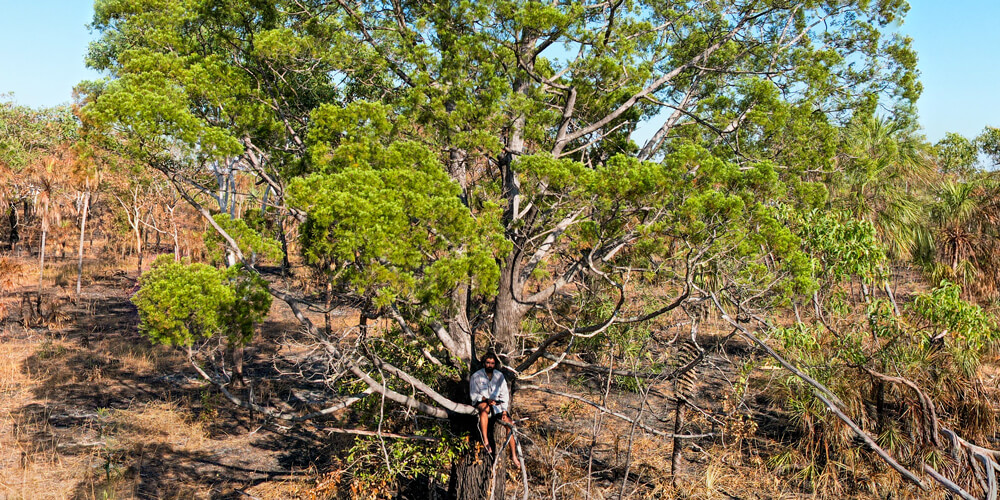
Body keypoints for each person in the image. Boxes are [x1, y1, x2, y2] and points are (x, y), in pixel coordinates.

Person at [469, 351, 521, 468]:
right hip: (482, 402)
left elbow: (504, 395)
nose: (490, 365)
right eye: (488, 363)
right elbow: (473, 395)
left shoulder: (499, 376)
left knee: (510, 424)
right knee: (484, 410)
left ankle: (513, 455)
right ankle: (486, 441)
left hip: (497, 404)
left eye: (492, 363)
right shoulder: (476, 376)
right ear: (484, 363)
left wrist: (503, 411)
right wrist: (485, 399)